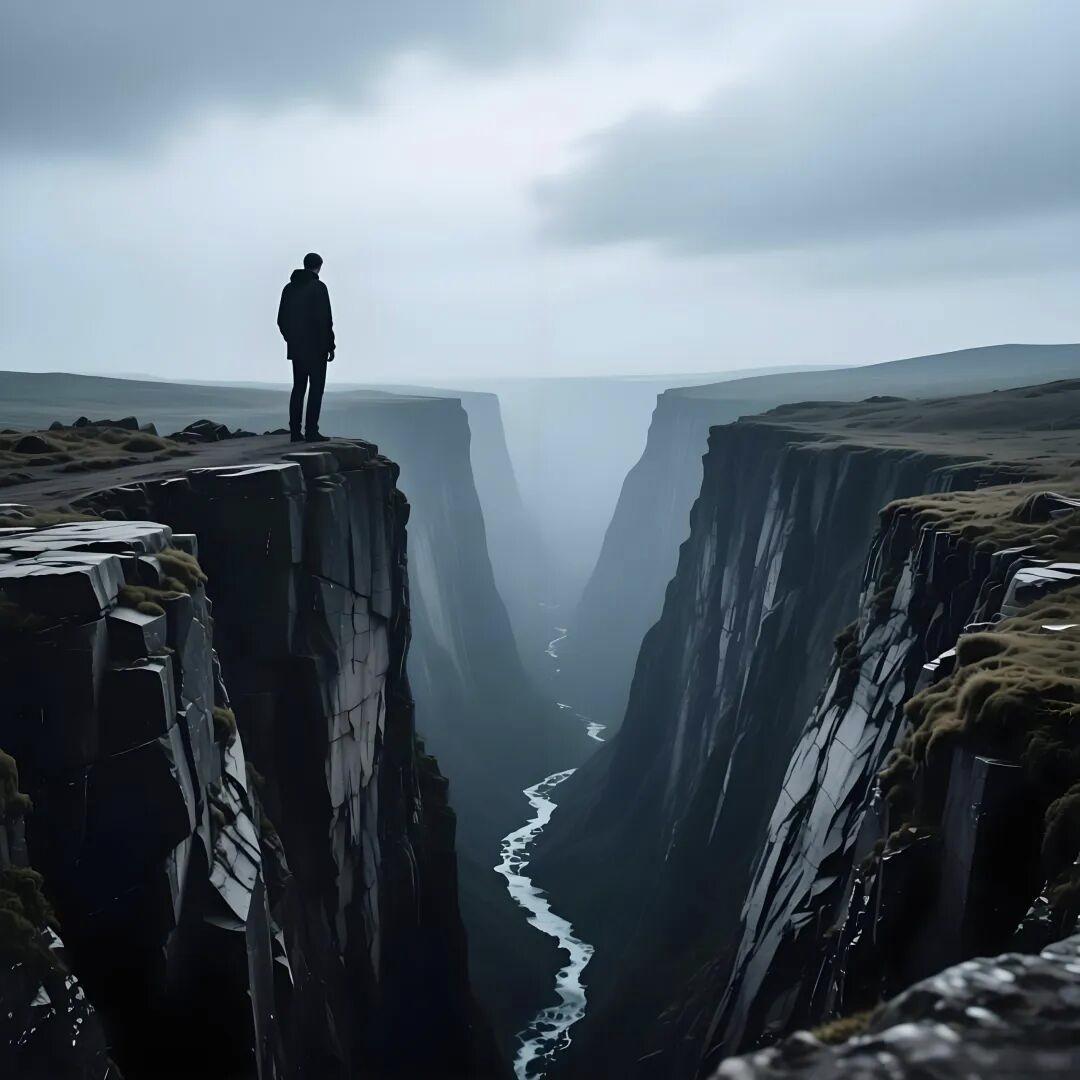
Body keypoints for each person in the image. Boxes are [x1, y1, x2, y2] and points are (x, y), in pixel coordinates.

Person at [277, 252, 335, 442]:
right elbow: (325, 320)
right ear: (319, 266)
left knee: (298, 387)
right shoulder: (319, 288)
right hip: (317, 348)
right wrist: (330, 345)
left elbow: (281, 320)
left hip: (297, 348)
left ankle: (295, 432)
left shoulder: (289, 288)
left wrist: (291, 339)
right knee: (316, 388)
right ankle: (311, 431)